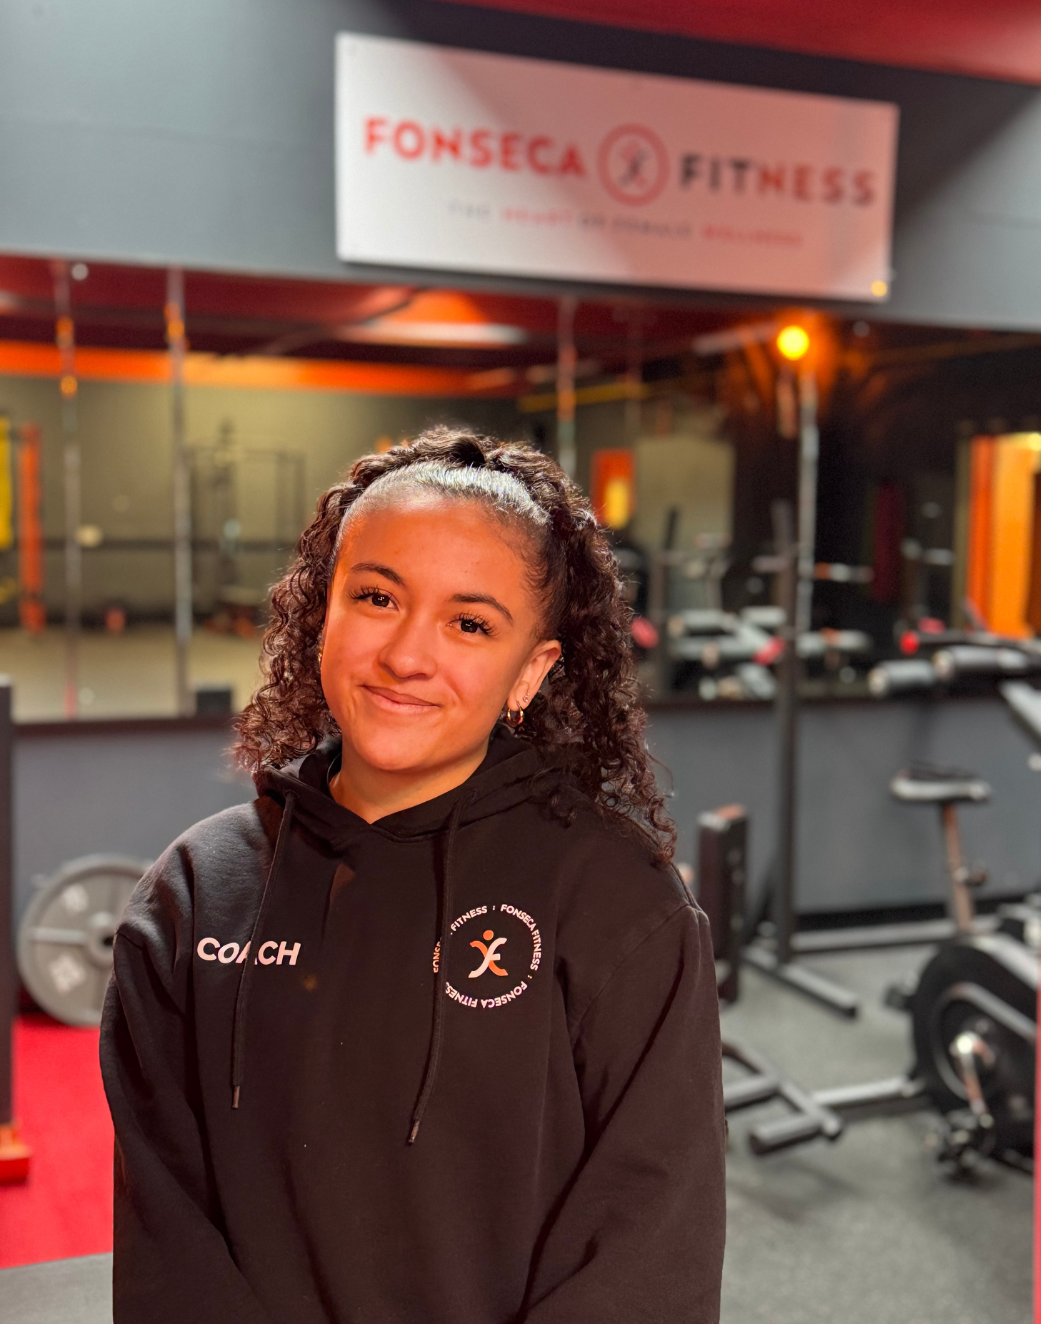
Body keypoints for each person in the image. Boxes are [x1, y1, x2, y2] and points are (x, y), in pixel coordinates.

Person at [100, 426, 725, 1324]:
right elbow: (168, 1240)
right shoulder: (193, 897)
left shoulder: (617, 903)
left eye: (470, 623)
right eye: (377, 597)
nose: (406, 656)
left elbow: (650, 1244)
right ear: (323, 612)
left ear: (531, 671)